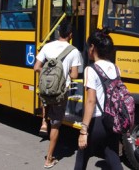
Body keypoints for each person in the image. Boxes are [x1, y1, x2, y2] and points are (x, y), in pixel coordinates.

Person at [34, 19, 83, 169]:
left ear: (58, 33)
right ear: (70, 35)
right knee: (55, 125)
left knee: (46, 99)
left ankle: (43, 122)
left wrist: (48, 74)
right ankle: (49, 158)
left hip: (45, 89)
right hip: (60, 92)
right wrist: (62, 74)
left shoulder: (47, 46)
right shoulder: (74, 51)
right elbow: (74, 75)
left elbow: (36, 67)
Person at [74, 28, 123, 170]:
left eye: (88, 46)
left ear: (92, 48)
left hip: (97, 122)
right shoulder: (116, 68)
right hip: (112, 120)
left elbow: (91, 101)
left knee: (81, 158)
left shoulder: (91, 69)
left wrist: (84, 131)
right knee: (112, 155)